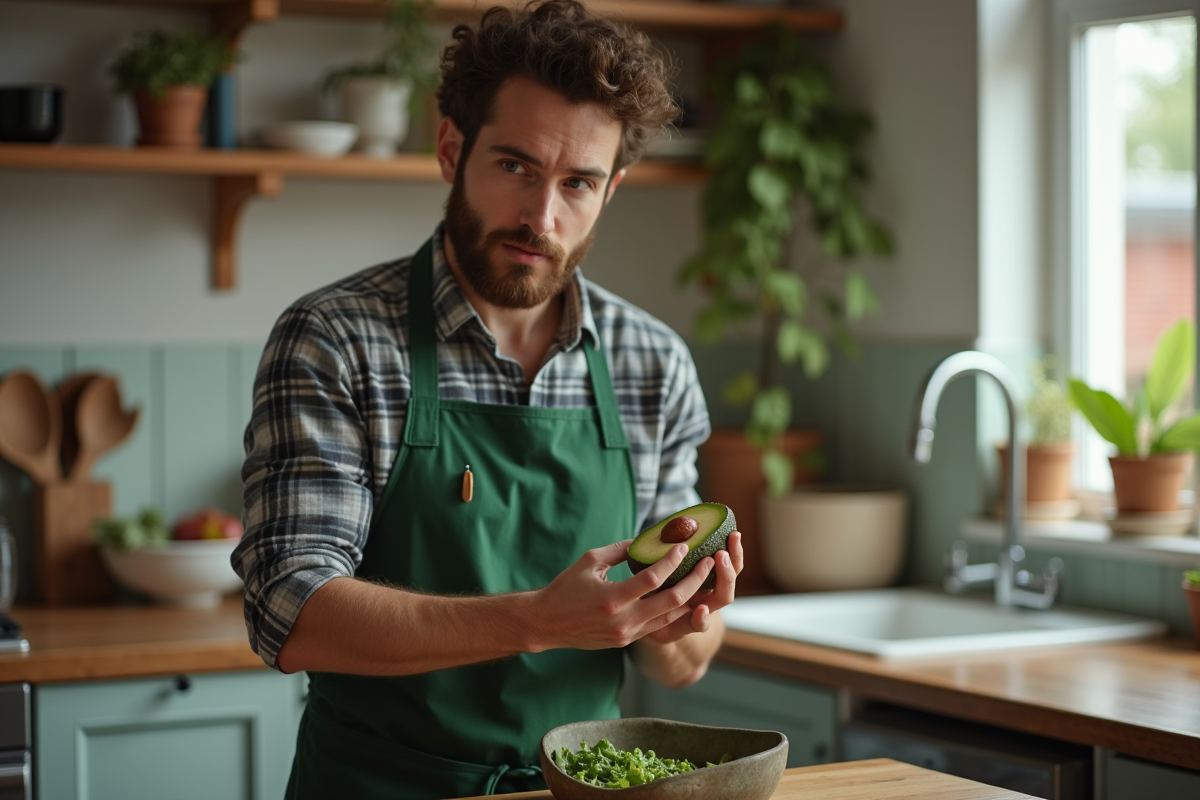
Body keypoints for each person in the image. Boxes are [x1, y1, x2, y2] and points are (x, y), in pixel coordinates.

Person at [234, 2, 743, 798]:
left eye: (577, 183)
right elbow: (290, 612)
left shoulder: (654, 364)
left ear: (610, 190)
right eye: (516, 166)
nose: (542, 217)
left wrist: (677, 621)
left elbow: (681, 669)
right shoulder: (335, 339)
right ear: (450, 149)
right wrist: (541, 619)